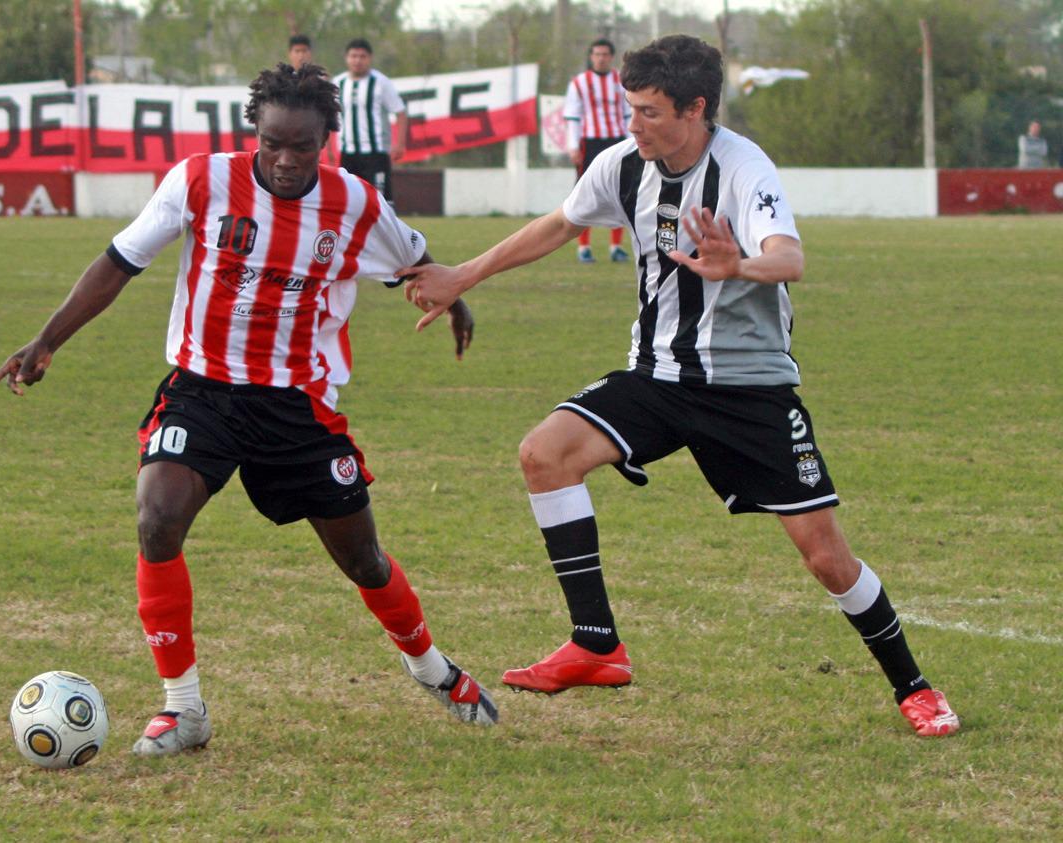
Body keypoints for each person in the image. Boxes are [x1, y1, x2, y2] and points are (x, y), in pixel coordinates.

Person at [399, 35, 959, 738]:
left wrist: (737, 266)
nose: (632, 124)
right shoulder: (623, 164)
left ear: (695, 108)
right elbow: (559, 224)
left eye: (649, 112)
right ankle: (597, 642)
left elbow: (789, 259)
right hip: (658, 376)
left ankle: (915, 685)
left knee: (826, 555)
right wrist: (463, 274)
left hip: (748, 391)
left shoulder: (743, 169)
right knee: (545, 453)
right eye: (629, 109)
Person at [0, 63, 495, 757]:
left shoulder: (355, 204)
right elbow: (118, 261)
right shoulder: (200, 181)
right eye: (273, 144)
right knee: (157, 515)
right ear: (254, 132)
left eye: (303, 146)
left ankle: (430, 667)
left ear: (327, 139)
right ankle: (184, 708)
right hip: (204, 390)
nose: (286, 161)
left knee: (365, 561)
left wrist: (455, 297)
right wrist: (47, 339)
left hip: (297, 407)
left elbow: (413, 258)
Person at [564, 39, 631, 264]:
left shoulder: (621, 81)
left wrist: (633, 142)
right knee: (585, 193)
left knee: (621, 191)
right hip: (589, 143)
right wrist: (573, 145)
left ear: (611, 57)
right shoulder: (579, 83)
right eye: (597, 54)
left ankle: (616, 247)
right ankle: (583, 247)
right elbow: (573, 117)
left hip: (617, 141)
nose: (601, 58)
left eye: (605, 54)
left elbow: (628, 113)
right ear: (591, 57)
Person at [330, 39, 407, 202]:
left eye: (362, 56)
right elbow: (329, 116)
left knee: (381, 201)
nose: (357, 60)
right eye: (353, 56)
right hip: (348, 153)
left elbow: (400, 112)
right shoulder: (338, 83)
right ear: (346, 58)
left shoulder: (381, 82)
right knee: (348, 200)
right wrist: (329, 148)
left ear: (369, 58)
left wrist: (399, 144)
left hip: (376, 154)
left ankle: (386, 228)